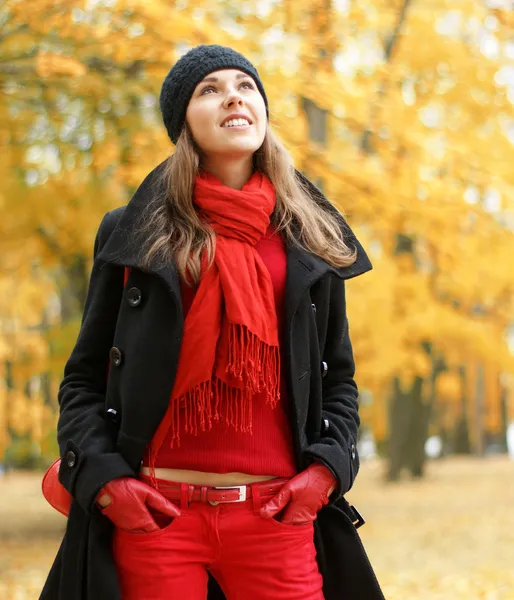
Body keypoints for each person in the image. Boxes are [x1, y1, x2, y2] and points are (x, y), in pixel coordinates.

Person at [40, 45, 384, 600]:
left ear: (263, 113)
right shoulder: (134, 231)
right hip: (155, 517)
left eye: (246, 87)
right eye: (210, 89)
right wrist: (107, 484)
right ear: (183, 123)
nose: (233, 96)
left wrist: (325, 474)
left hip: (277, 519)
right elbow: (83, 377)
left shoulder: (309, 235)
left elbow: (337, 379)